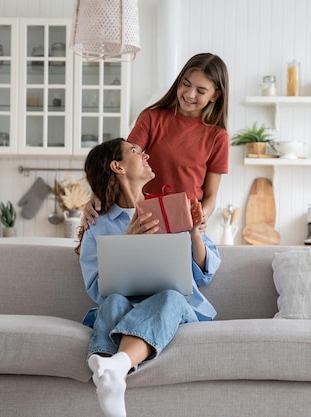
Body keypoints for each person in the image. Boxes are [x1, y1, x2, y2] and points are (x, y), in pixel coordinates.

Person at [76, 138, 221, 417]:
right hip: (123, 307)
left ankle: (113, 366)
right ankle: (111, 378)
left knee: (169, 296)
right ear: (117, 166)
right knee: (115, 300)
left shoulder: (172, 207)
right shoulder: (98, 224)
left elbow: (205, 273)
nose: (145, 154)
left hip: (174, 308)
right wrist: (128, 244)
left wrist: (193, 232)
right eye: (135, 151)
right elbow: (98, 289)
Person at [83, 52, 229, 230]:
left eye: (201, 91)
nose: (190, 94)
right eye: (186, 84)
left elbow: (211, 196)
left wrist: (202, 217)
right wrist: (97, 195)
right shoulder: (152, 118)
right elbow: (123, 163)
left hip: (186, 223)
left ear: (215, 95)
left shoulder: (218, 137)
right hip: (146, 219)